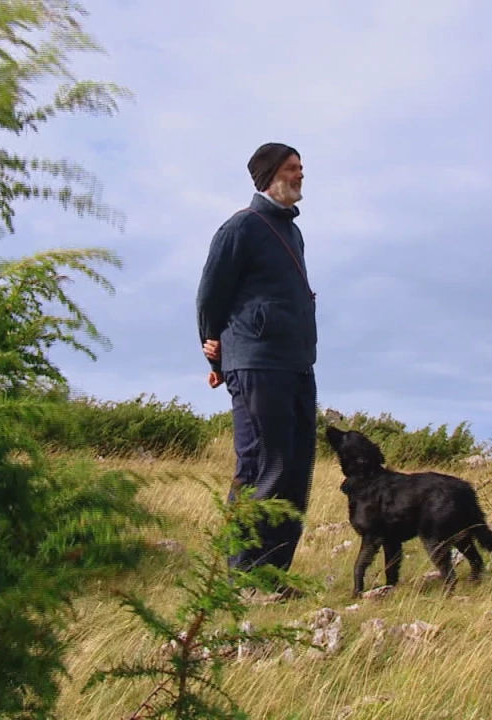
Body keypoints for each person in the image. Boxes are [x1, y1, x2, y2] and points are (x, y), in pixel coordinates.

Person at [195, 142, 318, 588]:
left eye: (302, 168)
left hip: (296, 363)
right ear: (270, 174)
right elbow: (210, 295)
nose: (301, 175)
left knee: (296, 467)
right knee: (263, 464)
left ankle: (271, 575)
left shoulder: (293, 232)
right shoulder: (241, 227)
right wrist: (214, 349)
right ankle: (240, 578)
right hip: (256, 361)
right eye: (293, 168)